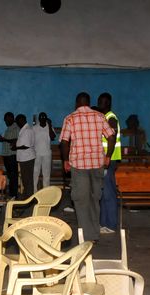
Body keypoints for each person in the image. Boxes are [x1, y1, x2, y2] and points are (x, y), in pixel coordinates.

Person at [60, 92, 116, 242]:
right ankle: (94, 234)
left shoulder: (70, 118)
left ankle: (87, 235)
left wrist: (65, 160)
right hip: (97, 164)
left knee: (81, 200)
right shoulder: (99, 116)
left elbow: (64, 142)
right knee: (94, 199)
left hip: (79, 166)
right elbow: (111, 137)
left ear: (77, 103)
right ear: (88, 102)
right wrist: (108, 156)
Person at [97, 92, 121, 234]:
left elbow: (111, 136)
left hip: (109, 160)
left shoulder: (111, 118)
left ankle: (111, 224)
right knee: (104, 192)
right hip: (105, 160)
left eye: (102, 101)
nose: (100, 103)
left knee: (109, 193)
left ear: (108, 103)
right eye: (99, 101)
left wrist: (107, 156)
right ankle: (103, 223)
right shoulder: (104, 117)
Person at [0, 112, 19, 197]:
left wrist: (4, 139)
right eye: (5, 120)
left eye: (8, 119)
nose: (6, 122)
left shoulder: (16, 128)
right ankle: (11, 193)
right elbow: (7, 140)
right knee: (10, 175)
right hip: (6, 155)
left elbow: (17, 140)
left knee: (13, 175)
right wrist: (1, 139)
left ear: (12, 118)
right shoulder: (8, 129)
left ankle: (14, 194)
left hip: (12, 155)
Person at [13, 114, 36, 200]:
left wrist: (16, 147)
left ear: (21, 120)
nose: (17, 124)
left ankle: (29, 197)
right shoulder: (25, 129)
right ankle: (27, 194)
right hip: (25, 158)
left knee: (27, 179)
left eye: (17, 122)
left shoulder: (27, 130)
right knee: (25, 178)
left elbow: (26, 145)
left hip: (27, 158)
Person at [32, 112, 57, 190]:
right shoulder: (34, 128)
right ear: (39, 119)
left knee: (46, 174)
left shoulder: (50, 127)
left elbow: (53, 137)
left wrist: (49, 125)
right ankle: (34, 191)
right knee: (35, 173)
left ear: (46, 118)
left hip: (47, 154)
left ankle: (46, 191)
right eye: (41, 117)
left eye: (44, 117)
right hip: (36, 153)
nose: (42, 118)